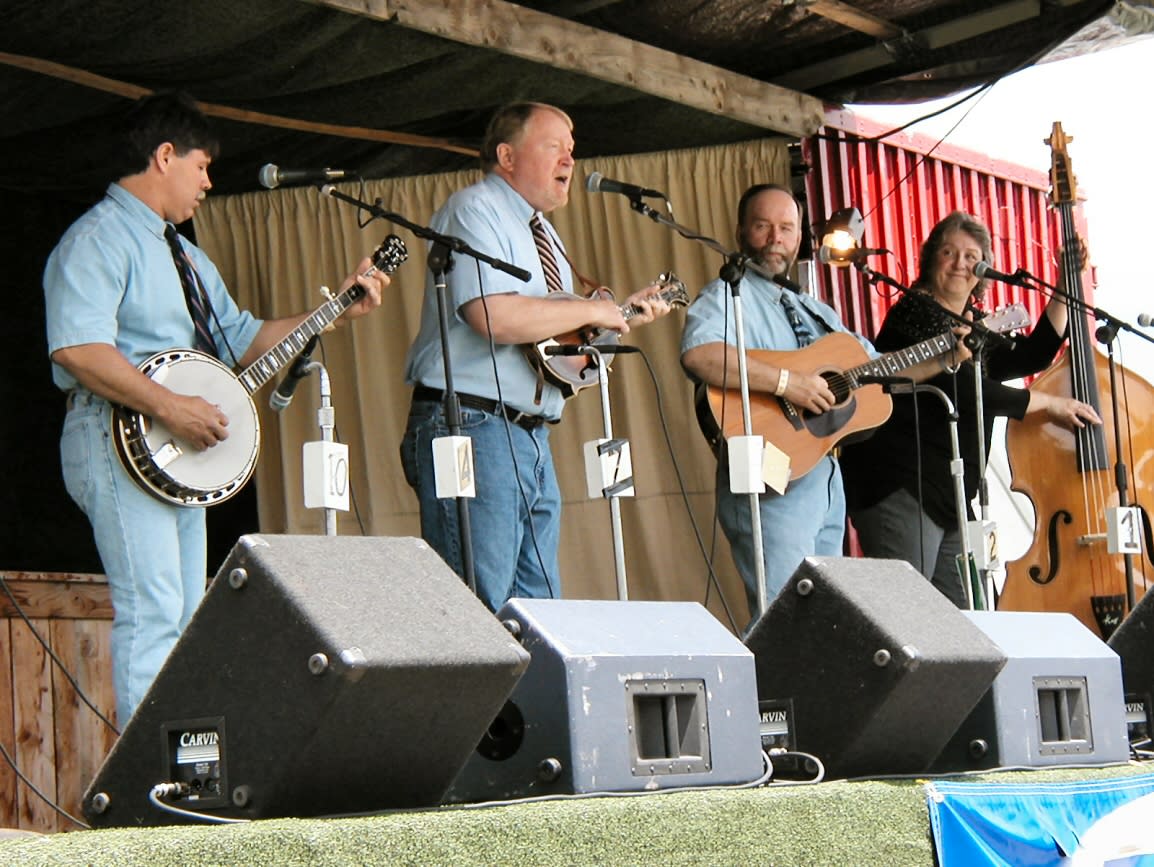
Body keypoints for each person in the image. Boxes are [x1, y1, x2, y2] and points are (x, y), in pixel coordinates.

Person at [42, 92, 387, 726]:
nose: (208, 182)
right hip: (114, 437)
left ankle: (180, 771)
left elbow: (243, 337)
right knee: (152, 608)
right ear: (164, 155)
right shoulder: (98, 238)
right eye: (201, 166)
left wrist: (333, 309)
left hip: (172, 457)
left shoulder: (189, 257)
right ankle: (150, 796)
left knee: (181, 613)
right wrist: (172, 406)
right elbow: (77, 348)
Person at [400, 101, 672, 612]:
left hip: (529, 433)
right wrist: (595, 311)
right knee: (479, 607)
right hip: (472, 424)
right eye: (554, 147)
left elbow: (557, 356)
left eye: (572, 150)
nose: (570, 160)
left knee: (540, 611)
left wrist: (612, 325)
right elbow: (492, 317)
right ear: (507, 155)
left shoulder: (545, 232)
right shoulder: (474, 209)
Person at [680, 184, 946, 625]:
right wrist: (789, 383)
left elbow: (877, 368)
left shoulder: (813, 309)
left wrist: (944, 356)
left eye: (786, 228)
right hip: (771, 473)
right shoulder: (727, 295)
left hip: (822, 474)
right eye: (763, 226)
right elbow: (700, 355)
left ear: (800, 236)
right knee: (784, 620)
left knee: (824, 620)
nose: (774, 238)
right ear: (742, 230)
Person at [839, 211, 1100, 607]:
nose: (960, 263)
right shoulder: (915, 311)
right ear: (931, 260)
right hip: (900, 483)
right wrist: (1046, 403)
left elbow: (1033, 354)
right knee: (909, 611)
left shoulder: (974, 326)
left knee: (969, 619)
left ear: (983, 270)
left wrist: (1066, 284)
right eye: (949, 252)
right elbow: (962, 387)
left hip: (951, 492)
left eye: (971, 255)